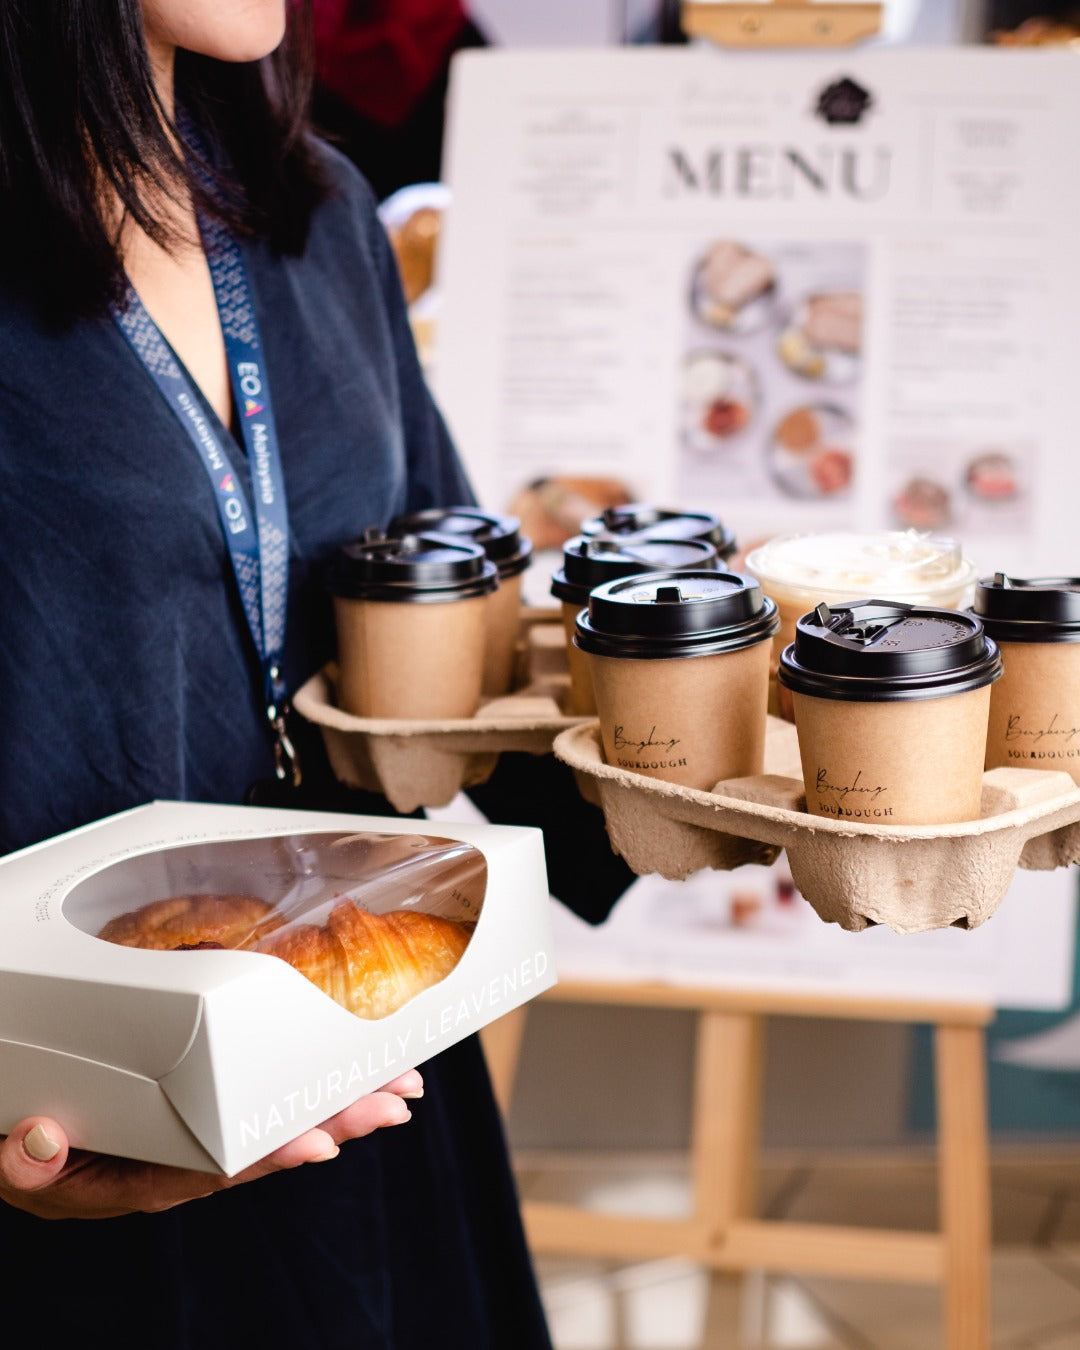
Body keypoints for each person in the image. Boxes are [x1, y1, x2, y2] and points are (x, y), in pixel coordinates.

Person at [0, 3, 632, 1346]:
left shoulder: (317, 210)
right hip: (79, 1104)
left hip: (367, 1057)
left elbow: (454, 638)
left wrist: (722, 781)